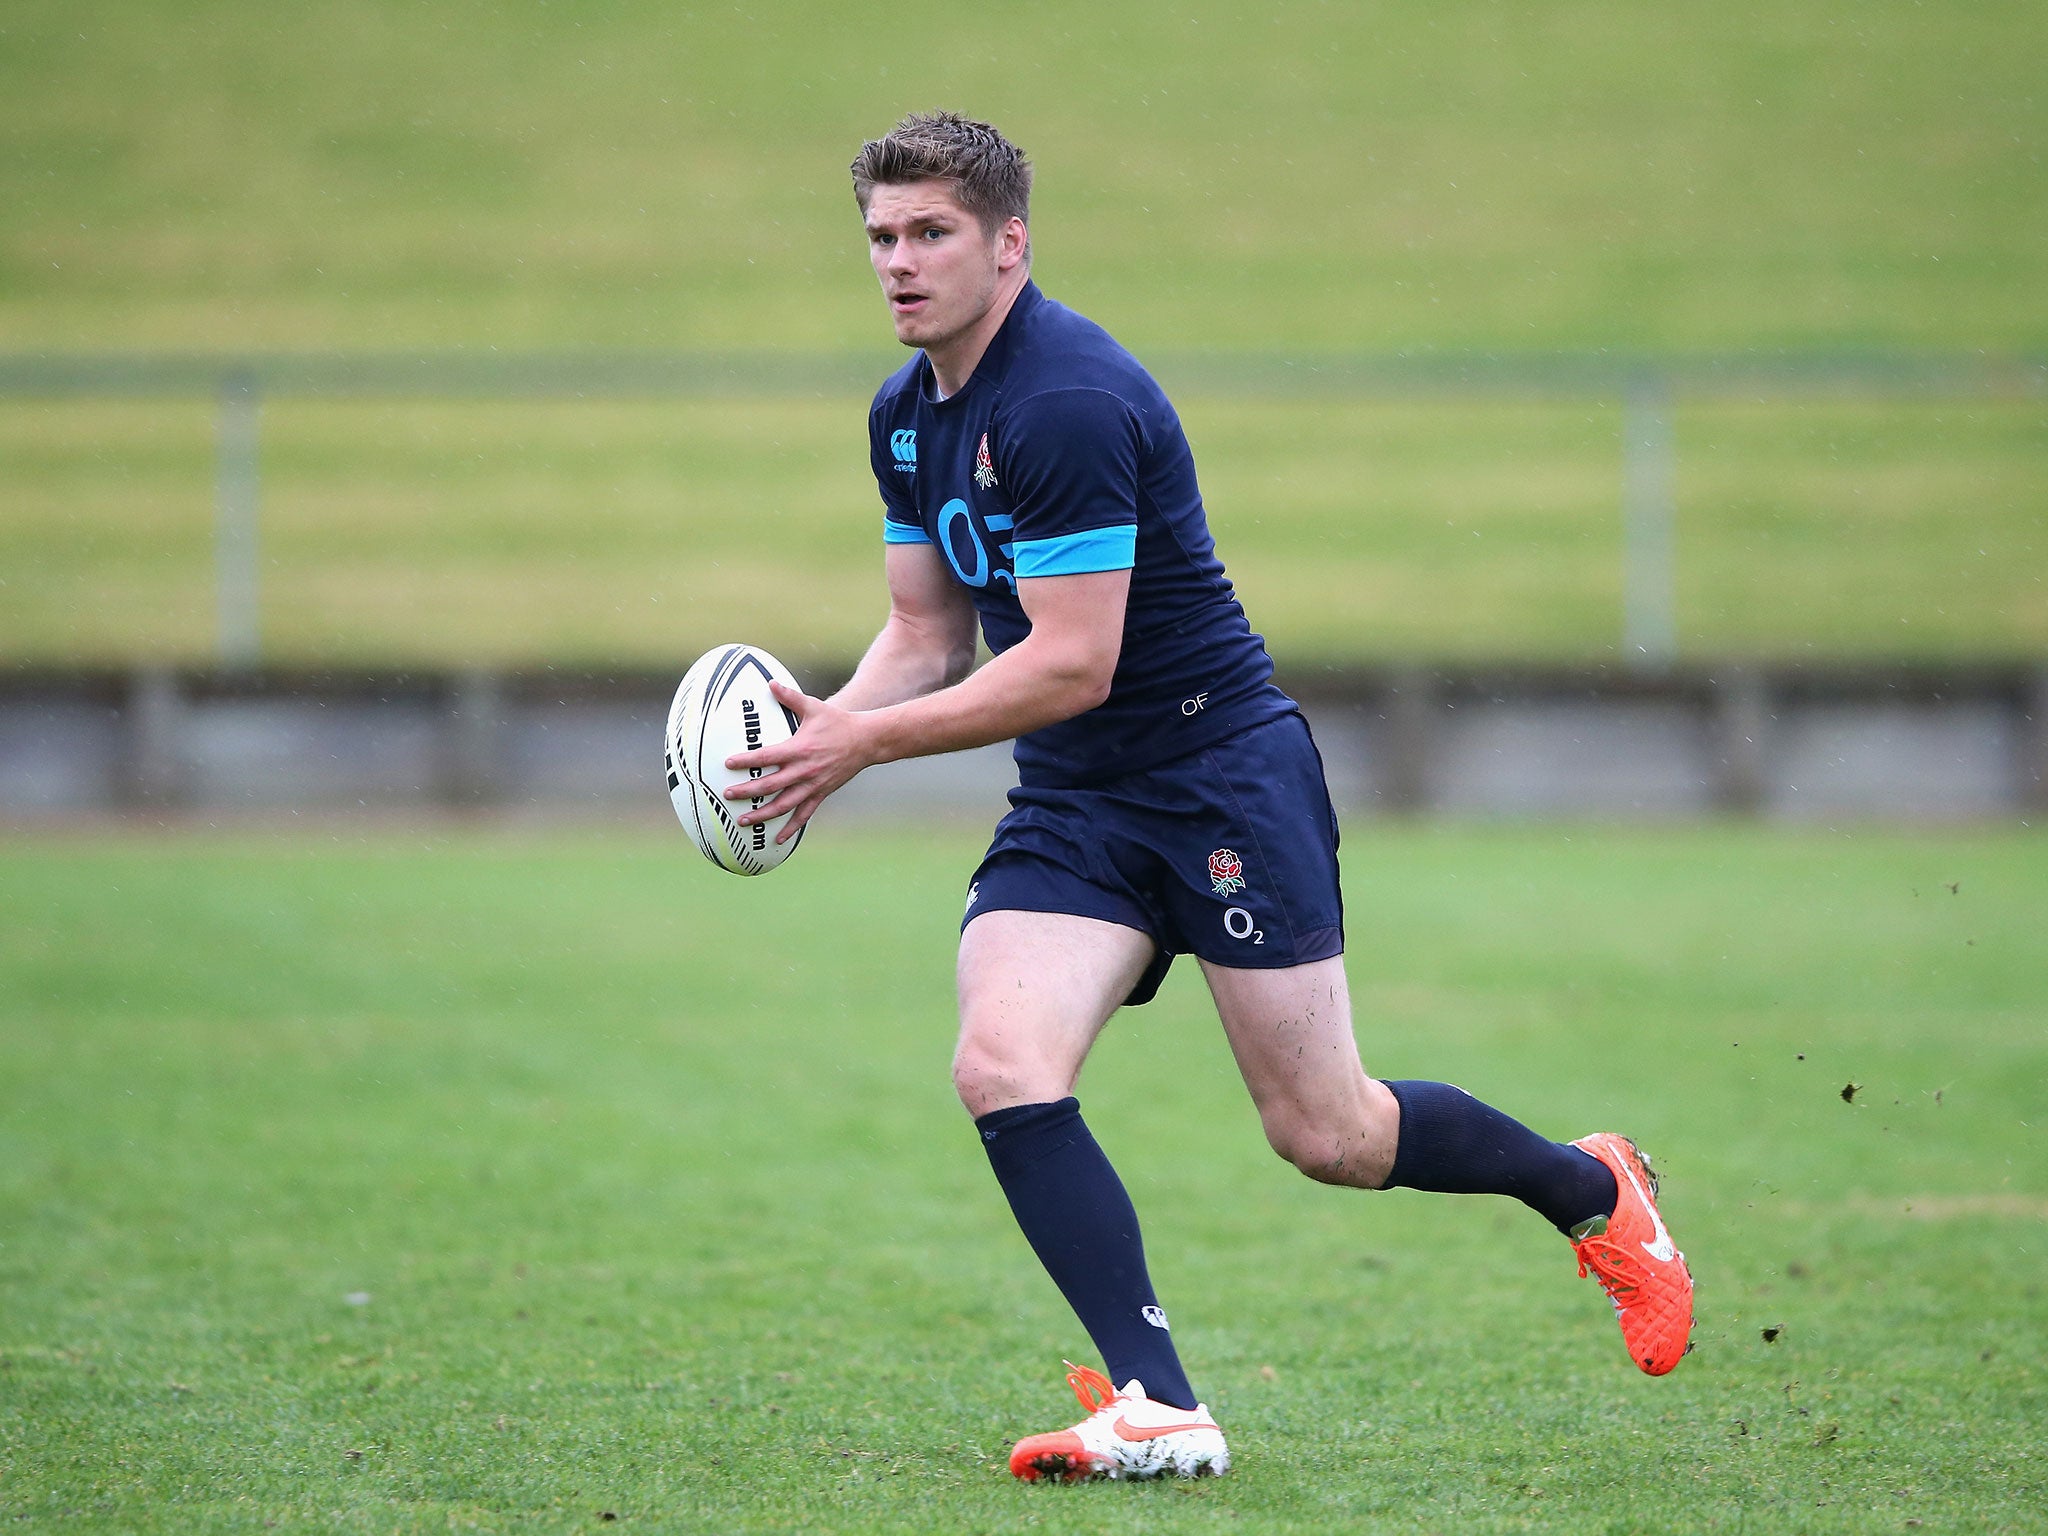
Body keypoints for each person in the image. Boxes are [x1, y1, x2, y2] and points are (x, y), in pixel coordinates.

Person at [725, 110, 1694, 1483]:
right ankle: (1157, 1404)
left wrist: (863, 753)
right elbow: (932, 636)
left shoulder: (1060, 401)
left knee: (1331, 1134)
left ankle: (1595, 1189)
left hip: (1219, 780)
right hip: (1076, 800)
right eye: (881, 236)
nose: (899, 262)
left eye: (931, 233)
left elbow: (1071, 660)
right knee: (1000, 1062)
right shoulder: (903, 420)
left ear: (1010, 243)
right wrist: (825, 728)